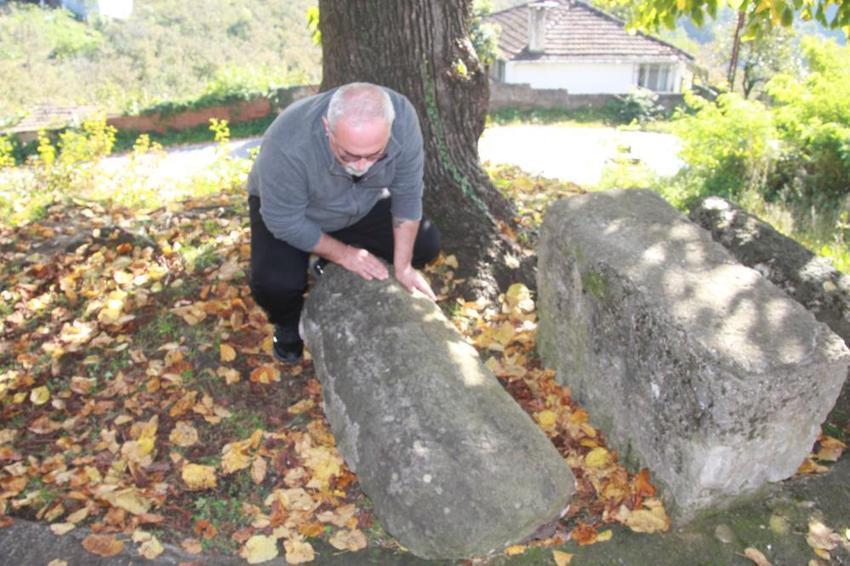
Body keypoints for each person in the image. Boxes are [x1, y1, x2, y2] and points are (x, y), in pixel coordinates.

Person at [247, 82, 441, 363]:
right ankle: (287, 323)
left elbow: (408, 194)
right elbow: (283, 220)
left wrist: (403, 267)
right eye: (349, 155)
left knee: (426, 244)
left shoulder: (402, 117)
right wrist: (345, 254)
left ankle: (326, 257)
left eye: (374, 155)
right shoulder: (288, 143)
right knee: (275, 283)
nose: (362, 166)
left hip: (360, 202)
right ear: (327, 127)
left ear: (389, 129)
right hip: (295, 210)